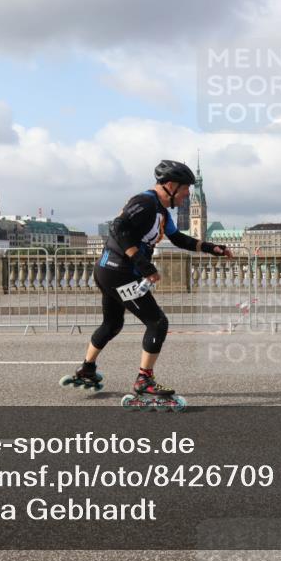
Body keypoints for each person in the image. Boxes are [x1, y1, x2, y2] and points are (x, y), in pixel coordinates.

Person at [73, 160, 233, 398]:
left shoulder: (161, 211)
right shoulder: (145, 202)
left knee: (112, 324)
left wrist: (212, 248)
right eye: (185, 190)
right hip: (120, 272)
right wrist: (143, 264)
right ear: (170, 185)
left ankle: (87, 369)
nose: (187, 196)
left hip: (108, 271)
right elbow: (118, 227)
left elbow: (179, 239)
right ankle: (144, 380)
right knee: (157, 322)